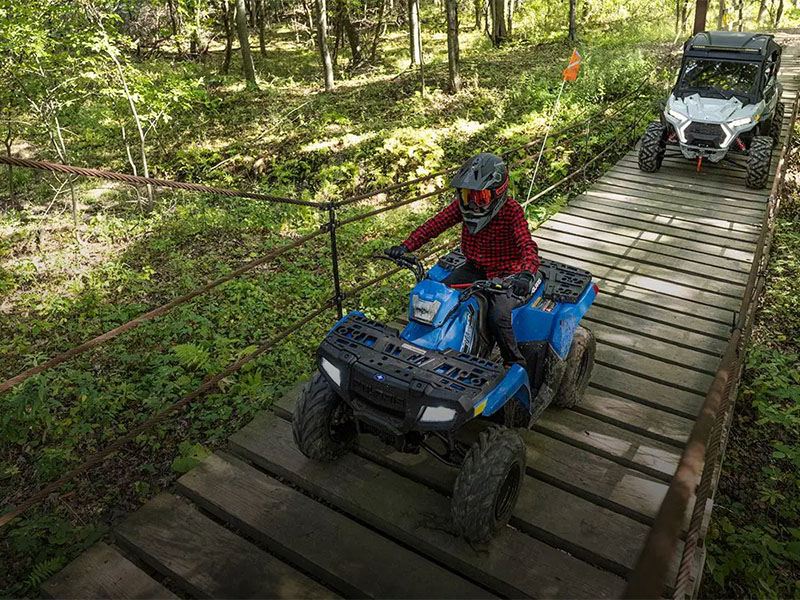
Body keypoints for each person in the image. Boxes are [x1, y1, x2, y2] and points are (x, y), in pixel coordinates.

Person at [386, 152, 540, 368]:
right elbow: (435, 224)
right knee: (441, 299)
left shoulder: (511, 211)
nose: (473, 204)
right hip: (474, 268)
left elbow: (527, 245)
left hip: (506, 274)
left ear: (498, 193)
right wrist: (405, 246)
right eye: (468, 195)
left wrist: (526, 273)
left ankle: (513, 362)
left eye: (481, 197)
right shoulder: (462, 206)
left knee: (499, 316)